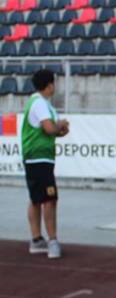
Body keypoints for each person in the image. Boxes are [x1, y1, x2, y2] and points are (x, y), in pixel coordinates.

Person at [22, 70, 70, 260]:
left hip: (37, 156)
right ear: (49, 85)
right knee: (50, 199)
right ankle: (52, 241)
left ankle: (36, 240)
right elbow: (50, 128)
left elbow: (52, 131)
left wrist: (60, 130)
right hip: (39, 156)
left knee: (36, 198)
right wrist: (60, 125)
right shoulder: (40, 103)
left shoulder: (41, 104)